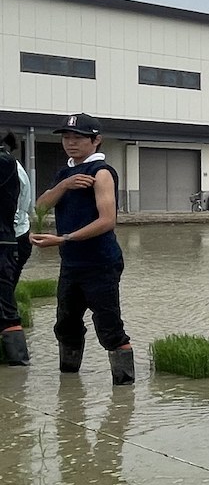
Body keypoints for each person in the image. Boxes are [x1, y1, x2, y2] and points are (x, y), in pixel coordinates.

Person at [29, 114, 134, 384]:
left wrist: (64, 239)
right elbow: (40, 206)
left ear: (96, 140)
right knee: (66, 324)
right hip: (72, 263)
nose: (70, 143)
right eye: (66, 138)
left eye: (78, 138)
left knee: (109, 328)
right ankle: (69, 383)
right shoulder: (65, 173)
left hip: (100, 262)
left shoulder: (101, 173)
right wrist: (64, 185)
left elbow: (108, 221)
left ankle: (123, 393)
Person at [0, 132, 32, 365]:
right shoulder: (14, 165)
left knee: (4, 304)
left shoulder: (6, 164)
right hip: (15, 238)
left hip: (8, 240)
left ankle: (18, 367)